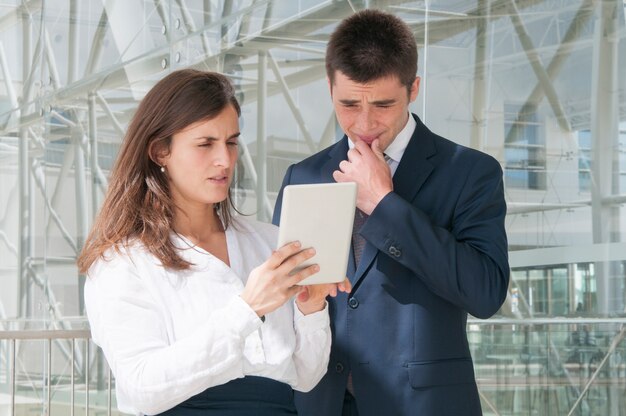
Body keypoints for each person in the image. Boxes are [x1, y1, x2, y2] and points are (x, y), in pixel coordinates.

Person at [272, 10, 510, 416]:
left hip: (422, 405)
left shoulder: (470, 172)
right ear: (330, 88)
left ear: (413, 88)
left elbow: (485, 293)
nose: (364, 124)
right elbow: (281, 305)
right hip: (320, 402)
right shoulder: (304, 174)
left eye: (383, 104)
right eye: (348, 104)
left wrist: (384, 205)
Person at [77, 69, 350, 416]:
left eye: (231, 142)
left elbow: (305, 376)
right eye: (205, 144)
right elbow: (142, 387)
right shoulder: (123, 263)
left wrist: (311, 307)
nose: (225, 159)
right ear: (161, 151)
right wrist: (247, 309)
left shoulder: (270, 244)